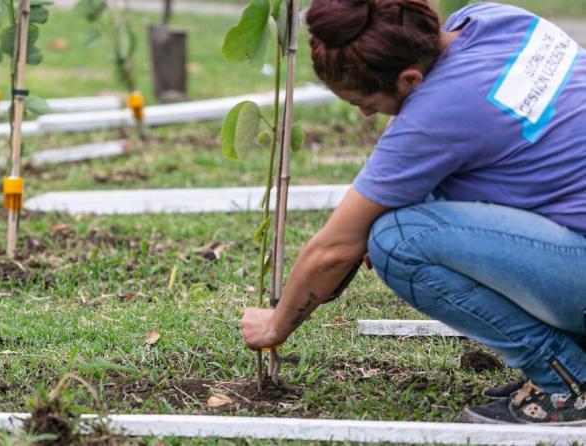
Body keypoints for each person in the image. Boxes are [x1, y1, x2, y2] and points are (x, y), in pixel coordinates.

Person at [240, 0, 586, 425]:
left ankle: (567, 380)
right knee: (420, 207)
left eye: (364, 100)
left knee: (397, 240)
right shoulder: (494, 19)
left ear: (409, 78)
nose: (366, 113)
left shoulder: (438, 112)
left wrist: (275, 325)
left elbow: (333, 250)